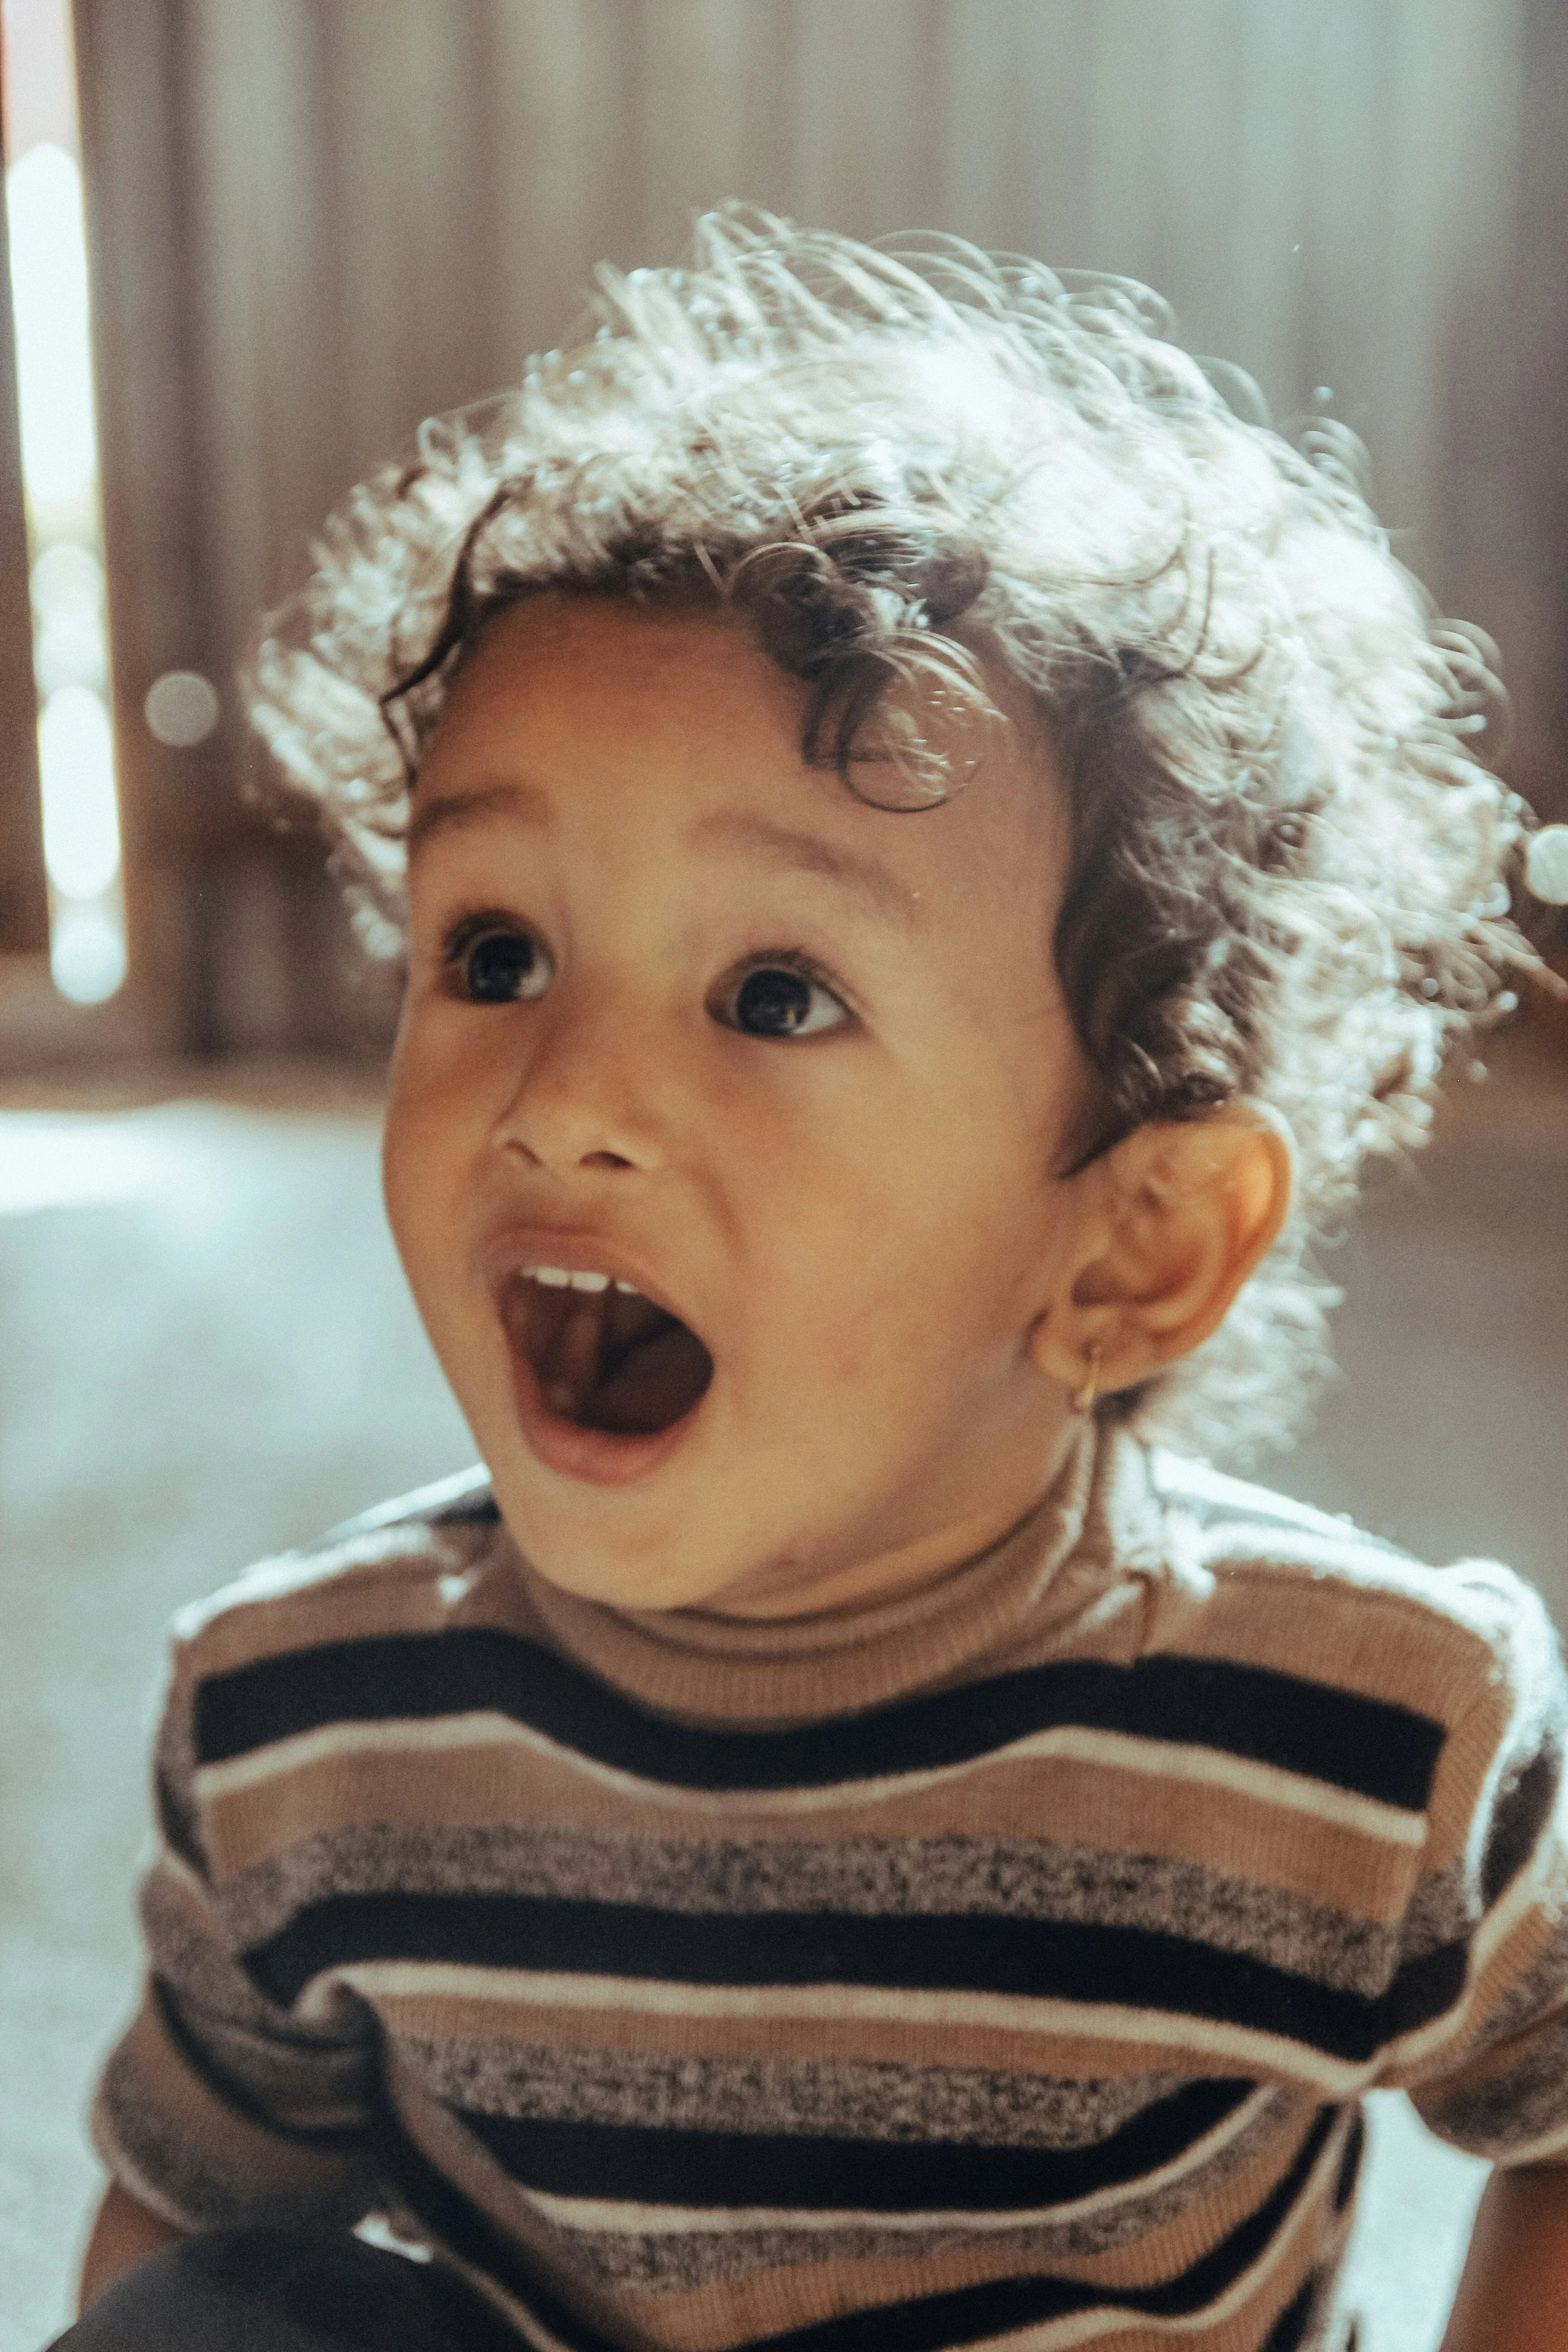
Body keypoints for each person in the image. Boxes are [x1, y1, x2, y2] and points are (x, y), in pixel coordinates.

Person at [59, 211, 1568, 2352]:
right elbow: (187, 2227)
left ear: (1132, 1245)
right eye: (494, 952)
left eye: (773, 992)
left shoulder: (1369, 1736)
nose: (565, 1097)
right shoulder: (302, 1726)